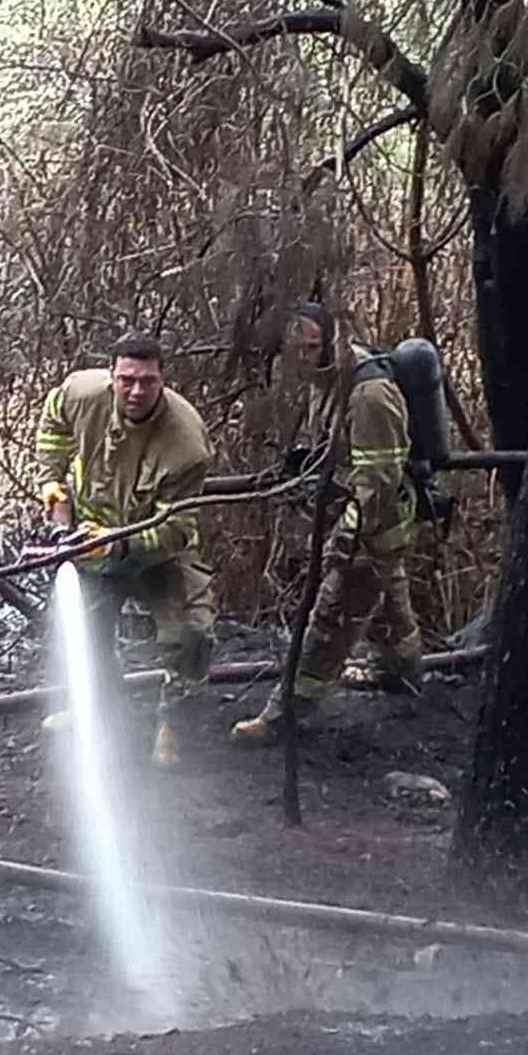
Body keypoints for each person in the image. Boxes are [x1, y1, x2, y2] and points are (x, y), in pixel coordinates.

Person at [231, 302, 422, 744]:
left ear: (332, 340)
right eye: (296, 347)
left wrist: (344, 540)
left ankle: (286, 715)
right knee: (389, 603)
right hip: (364, 519)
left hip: (373, 526)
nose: (303, 355)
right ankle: (404, 674)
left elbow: (377, 483)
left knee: (332, 615)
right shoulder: (327, 381)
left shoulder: (369, 395)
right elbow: (340, 452)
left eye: (312, 345)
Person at [33, 334, 215, 769]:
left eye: (147, 382)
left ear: (162, 381)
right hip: (91, 540)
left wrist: (118, 541)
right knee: (79, 631)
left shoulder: (186, 442)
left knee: (191, 633)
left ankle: (174, 725)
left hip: (159, 553)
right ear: (112, 376)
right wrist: (51, 480)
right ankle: (100, 713)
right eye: (127, 380)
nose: (136, 391)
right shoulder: (80, 393)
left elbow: (177, 529)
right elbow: (53, 423)